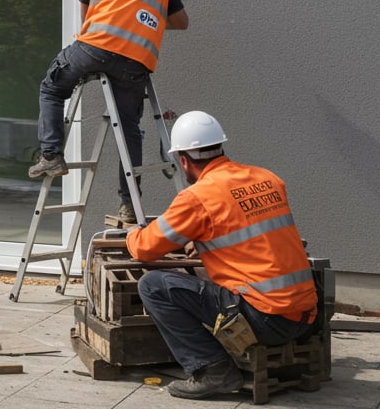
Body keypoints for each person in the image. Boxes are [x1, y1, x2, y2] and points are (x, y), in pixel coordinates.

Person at [125, 111, 318, 399]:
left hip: (265, 319)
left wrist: (129, 233)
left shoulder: (198, 197)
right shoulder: (267, 178)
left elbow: (144, 247)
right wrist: (206, 241)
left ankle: (212, 371)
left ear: (184, 160)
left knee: (152, 286)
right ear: (220, 147)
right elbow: (251, 234)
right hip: (306, 316)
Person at [29, 0, 188, 224]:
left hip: (94, 49)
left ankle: (51, 156)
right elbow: (182, 22)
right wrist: (144, 17)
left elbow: (87, 17)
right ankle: (129, 206)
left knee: (52, 87)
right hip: (135, 60)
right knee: (129, 128)